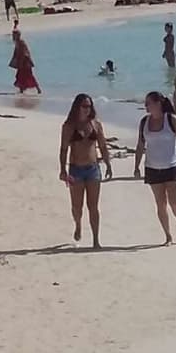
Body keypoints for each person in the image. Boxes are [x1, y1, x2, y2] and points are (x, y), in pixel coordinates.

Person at [133, 91, 176, 245]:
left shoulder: (171, 119)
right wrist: (136, 166)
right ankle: (168, 236)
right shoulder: (144, 121)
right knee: (160, 203)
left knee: (174, 202)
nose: (145, 106)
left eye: (148, 103)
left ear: (158, 103)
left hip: (171, 166)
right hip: (152, 167)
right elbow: (140, 145)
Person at [59, 94, 113, 249]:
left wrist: (108, 164)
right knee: (77, 206)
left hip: (93, 169)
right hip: (75, 169)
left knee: (93, 206)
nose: (87, 109)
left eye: (89, 106)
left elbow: (102, 145)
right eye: (84, 106)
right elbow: (63, 149)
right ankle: (78, 224)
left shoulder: (96, 124)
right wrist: (62, 170)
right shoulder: (69, 126)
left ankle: (96, 240)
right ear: (77, 107)